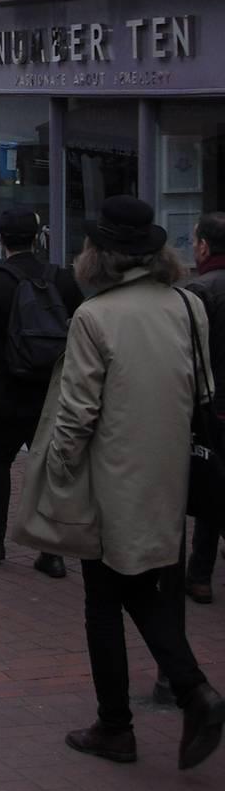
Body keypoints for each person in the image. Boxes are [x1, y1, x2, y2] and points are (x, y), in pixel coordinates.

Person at [16, 196, 224, 770]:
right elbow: (203, 390)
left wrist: (56, 468)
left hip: (108, 478)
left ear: (100, 255)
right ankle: (189, 693)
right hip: (167, 474)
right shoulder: (187, 305)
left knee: (104, 601)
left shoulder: (95, 316)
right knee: (138, 590)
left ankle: (119, 724)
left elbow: (78, 410)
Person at [0, 207, 82, 578]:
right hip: (50, 391)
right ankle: (50, 550)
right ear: (37, 238)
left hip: (4, 392)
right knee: (47, 469)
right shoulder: (61, 278)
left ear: (1, 239)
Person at [186, 212, 225, 604]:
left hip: (214, 405)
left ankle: (199, 574)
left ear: (204, 246)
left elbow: (189, 354)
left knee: (211, 484)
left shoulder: (201, 290)